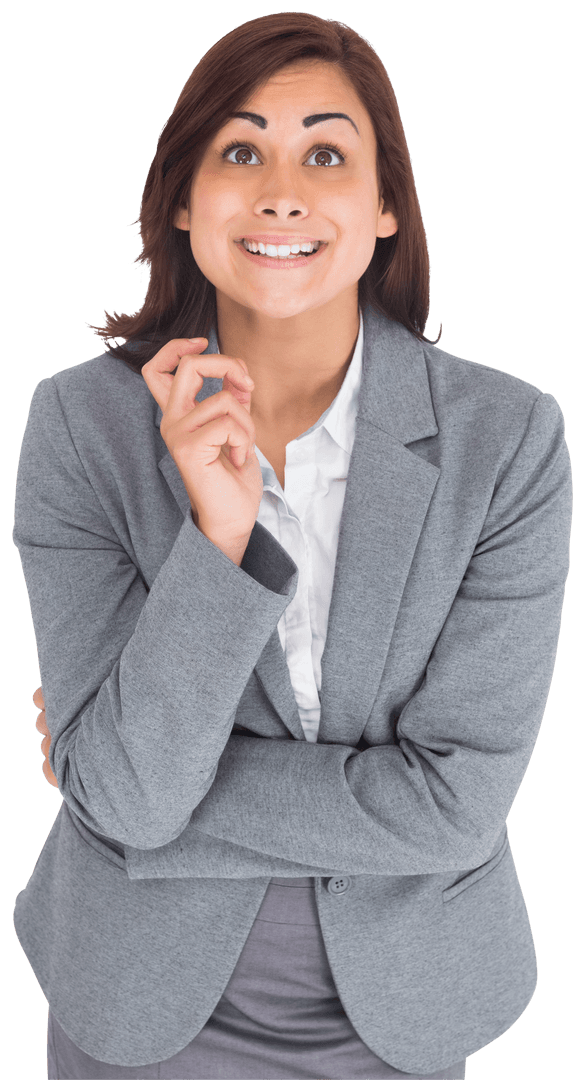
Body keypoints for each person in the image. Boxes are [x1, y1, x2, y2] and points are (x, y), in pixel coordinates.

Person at [13, 11, 572, 1080]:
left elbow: (453, 808)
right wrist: (221, 537)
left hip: (403, 1001)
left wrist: (118, 782)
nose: (281, 192)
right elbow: (127, 798)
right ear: (182, 198)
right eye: (240, 152)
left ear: (386, 206)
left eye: (325, 154)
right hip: (136, 995)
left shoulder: (508, 440)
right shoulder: (82, 428)